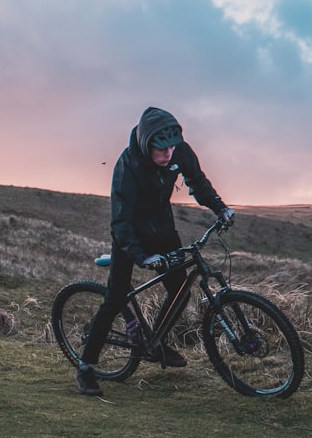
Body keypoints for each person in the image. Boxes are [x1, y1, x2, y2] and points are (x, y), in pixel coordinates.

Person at [76, 107, 235, 396]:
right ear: (147, 145)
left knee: (179, 291)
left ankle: (157, 343)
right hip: (131, 237)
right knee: (115, 299)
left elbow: (197, 182)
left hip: (163, 232)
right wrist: (141, 256)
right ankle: (86, 367)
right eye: (162, 150)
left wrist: (220, 208)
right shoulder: (128, 166)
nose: (169, 154)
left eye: (172, 148)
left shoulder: (179, 151)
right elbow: (120, 220)